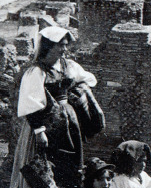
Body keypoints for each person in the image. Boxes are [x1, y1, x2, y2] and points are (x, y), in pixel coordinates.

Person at [12, 27, 98, 188]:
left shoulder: (68, 66)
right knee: (46, 166)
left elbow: (89, 79)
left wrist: (75, 92)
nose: (64, 49)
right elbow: (30, 103)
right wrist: (39, 132)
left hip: (69, 123)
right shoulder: (36, 72)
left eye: (65, 45)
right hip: (44, 126)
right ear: (48, 46)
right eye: (60, 45)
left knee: (70, 163)